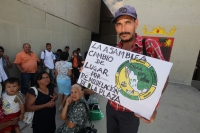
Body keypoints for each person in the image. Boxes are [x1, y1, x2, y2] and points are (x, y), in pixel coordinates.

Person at [106, 5, 168, 133]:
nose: (123, 29)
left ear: (136, 23)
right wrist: (89, 72)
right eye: (119, 24)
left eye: (127, 23)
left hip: (131, 112)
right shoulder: (114, 50)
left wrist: (150, 107)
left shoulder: (149, 45)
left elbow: (163, 77)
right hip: (111, 106)